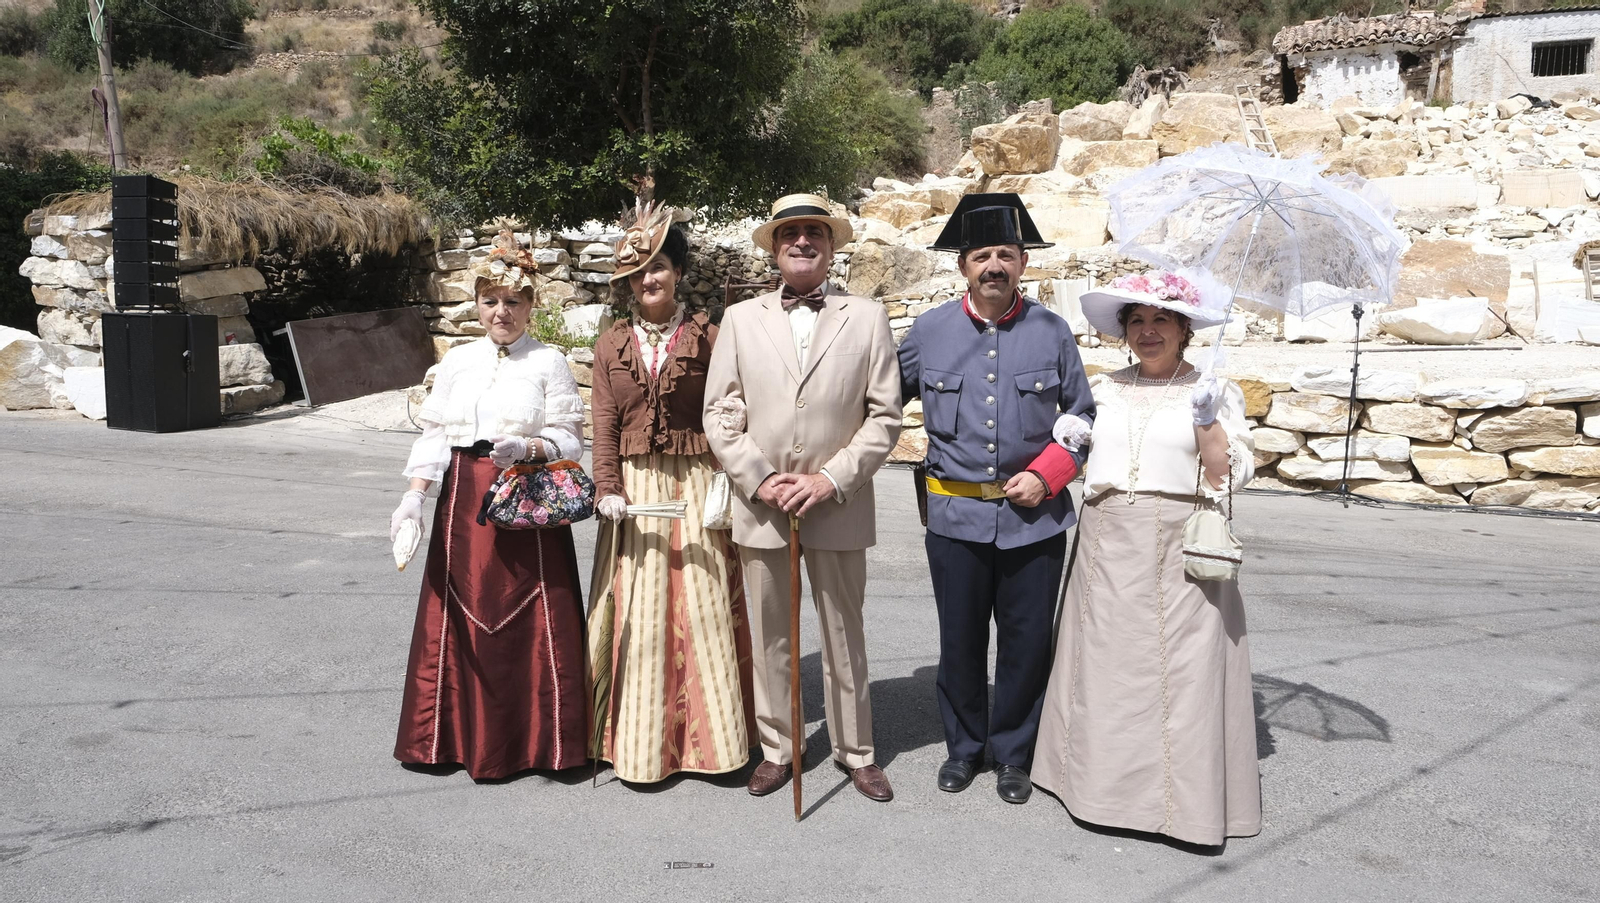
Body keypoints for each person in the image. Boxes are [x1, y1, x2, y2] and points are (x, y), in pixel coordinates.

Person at [1031, 270, 1260, 846]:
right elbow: (1082, 458)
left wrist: (1207, 423)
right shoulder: (1104, 389)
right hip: (1105, 541)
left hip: (1180, 543)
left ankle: (1180, 808)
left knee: (1177, 673)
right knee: (1105, 667)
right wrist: (1068, 444)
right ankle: (1093, 788)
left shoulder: (1214, 391)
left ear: (1183, 329)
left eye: (1161, 319)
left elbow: (1227, 477)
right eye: (1137, 320)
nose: (1148, 330)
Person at [703, 193, 903, 803]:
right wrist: (761, 479)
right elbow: (721, 411)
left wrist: (829, 479)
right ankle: (779, 748)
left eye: (815, 231)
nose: (802, 241)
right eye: (790, 233)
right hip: (763, 506)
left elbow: (884, 416)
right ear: (774, 247)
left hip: (837, 502)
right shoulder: (741, 319)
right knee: (771, 634)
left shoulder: (866, 317)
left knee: (844, 631)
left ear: (831, 246)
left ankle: (857, 751)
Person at [896, 193, 1095, 805]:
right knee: (959, 641)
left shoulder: (1051, 332)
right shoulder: (928, 332)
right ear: (962, 265)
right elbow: (875, 401)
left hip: (1035, 519)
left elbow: (1082, 417)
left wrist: (1050, 474)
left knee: (1026, 643)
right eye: (981, 255)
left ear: (1023, 263)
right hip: (954, 517)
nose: (994, 266)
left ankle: (1013, 753)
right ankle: (963, 748)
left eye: (1006, 254)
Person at [389, 228, 589, 779]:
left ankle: (540, 744)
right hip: (465, 497)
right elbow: (435, 436)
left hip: (527, 494)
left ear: (531, 305)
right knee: (461, 610)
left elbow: (571, 441)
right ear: (477, 303)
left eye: (514, 301)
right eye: (491, 300)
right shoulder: (457, 361)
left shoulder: (548, 361)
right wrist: (414, 497)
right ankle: (450, 740)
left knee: (531, 610)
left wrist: (529, 447)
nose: (502, 312)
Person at [586, 200, 756, 783]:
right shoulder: (611, 344)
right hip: (634, 490)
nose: (649, 279)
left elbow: (733, 410)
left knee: (705, 610)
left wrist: (733, 476)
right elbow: (604, 423)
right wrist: (606, 487)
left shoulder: (711, 336)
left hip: (699, 481)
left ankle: (718, 745)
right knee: (641, 612)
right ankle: (639, 747)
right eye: (638, 272)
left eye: (658, 266)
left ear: (678, 271)